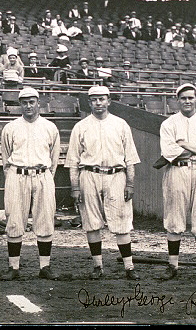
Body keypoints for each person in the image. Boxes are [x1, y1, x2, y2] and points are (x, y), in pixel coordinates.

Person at [68, 85, 142, 280]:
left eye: (102, 99)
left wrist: (130, 183)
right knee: (91, 222)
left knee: (122, 220)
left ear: (109, 101)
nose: (98, 103)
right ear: (89, 102)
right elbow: (73, 161)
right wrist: (75, 187)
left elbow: (130, 159)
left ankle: (129, 267)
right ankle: (98, 266)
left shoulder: (121, 124)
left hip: (116, 175)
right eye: (94, 100)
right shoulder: (81, 126)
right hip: (89, 174)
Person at [158, 83, 196, 280]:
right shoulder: (168, 124)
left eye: (190, 98)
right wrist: (195, 147)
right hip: (177, 170)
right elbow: (169, 152)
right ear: (177, 100)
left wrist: (183, 144)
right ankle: (172, 265)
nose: (187, 101)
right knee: (174, 217)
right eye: (183, 98)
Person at [0, 87, 59, 280]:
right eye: (24, 102)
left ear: (38, 103)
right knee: (14, 219)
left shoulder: (49, 127)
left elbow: (54, 159)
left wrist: (45, 175)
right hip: (17, 174)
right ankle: (13, 267)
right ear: (19, 104)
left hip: (42, 174)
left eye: (32, 102)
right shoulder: (11, 127)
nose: (28, 106)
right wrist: (14, 176)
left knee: (45, 218)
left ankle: (45, 267)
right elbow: (6, 158)